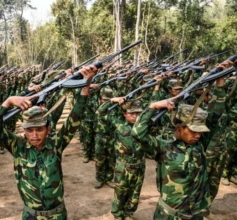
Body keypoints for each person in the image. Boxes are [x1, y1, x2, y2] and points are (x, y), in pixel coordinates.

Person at [0, 65, 96, 219]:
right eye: (30, 130)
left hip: (57, 215)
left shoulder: (55, 145)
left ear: (48, 129)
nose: (35, 135)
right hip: (30, 216)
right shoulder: (18, 146)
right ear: (24, 130)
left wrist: (86, 83)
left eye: (39, 129)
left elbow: (75, 116)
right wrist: (9, 101)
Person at [131, 77, 226, 219]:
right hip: (169, 215)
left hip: (195, 214)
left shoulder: (200, 144)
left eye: (200, 131)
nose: (198, 135)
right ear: (179, 127)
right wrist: (153, 106)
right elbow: (137, 133)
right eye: (193, 131)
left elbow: (215, 115)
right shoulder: (164, 147)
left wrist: (220, 83)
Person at [94, 87, 116, 189]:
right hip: (100, 137)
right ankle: (99, 179)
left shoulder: (114, 109)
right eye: (104, 99)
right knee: (100, 160)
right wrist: (111, 101)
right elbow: (101, 109)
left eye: (107, 100)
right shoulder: (100, 108)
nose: (105, 102)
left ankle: (109, 178)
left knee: (111, 159)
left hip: (112, 137)